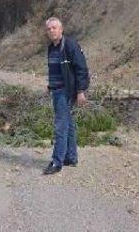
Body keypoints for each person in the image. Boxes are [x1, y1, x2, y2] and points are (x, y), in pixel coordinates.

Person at [43, 17, 90, 175]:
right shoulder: (51, 48)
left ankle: (57, 162)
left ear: (61, 29)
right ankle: (71, 156)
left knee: (60, 126)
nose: (51, 31)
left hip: (66, 91)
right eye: (49, 29)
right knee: (68, 123)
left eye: (54, 28)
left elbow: (81, 68)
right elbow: (55, 70)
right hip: (56, 90)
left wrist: (81, 91)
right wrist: (50, 86)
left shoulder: (70, 45)